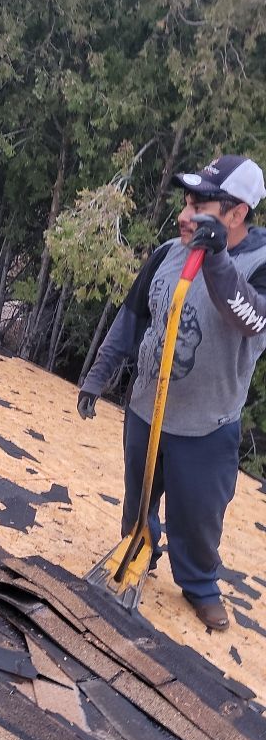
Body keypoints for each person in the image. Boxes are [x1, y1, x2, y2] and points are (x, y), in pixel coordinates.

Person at [78, 155, 266, 630]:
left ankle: (199, 585)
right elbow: (133, 316)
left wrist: (217, 258)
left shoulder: (260, 264)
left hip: (206, 425)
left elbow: (251, 319)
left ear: (237, 213)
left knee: (200, 519)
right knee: (137, 497)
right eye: (186, 202)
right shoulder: (168, 251)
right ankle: (136, 550)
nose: (185, 215)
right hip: (146, 409)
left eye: (200, 204)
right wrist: (98, 375)